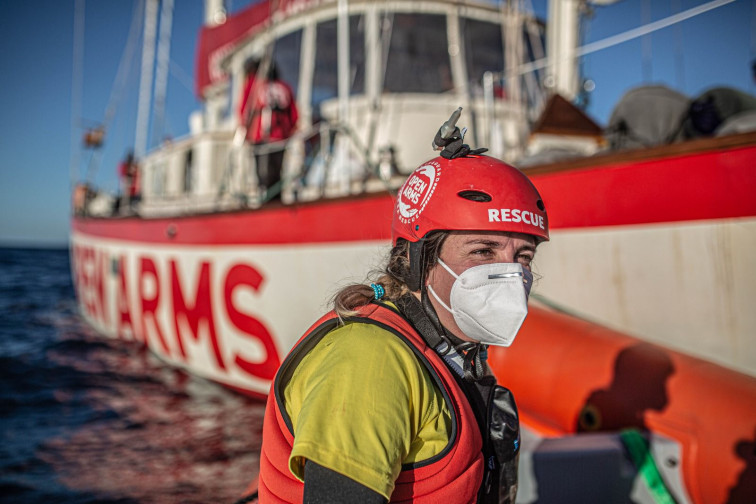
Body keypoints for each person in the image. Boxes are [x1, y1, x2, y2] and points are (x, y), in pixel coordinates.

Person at [256, 110, 549, 503]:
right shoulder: (369, 362)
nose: (510, 274)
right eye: (483, 251)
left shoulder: (451, 352)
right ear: (418, 262)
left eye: (524, 257)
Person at [239, 57, 299, 202]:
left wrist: (245, 131)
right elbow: (294, 116)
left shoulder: (254, 86)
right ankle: (277, 202)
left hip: (261, 139)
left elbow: (244, 110)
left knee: (263, 177)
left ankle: (267, 203)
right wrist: (288, 133)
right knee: (277, 175)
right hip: (280, 139)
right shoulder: (285, 87)